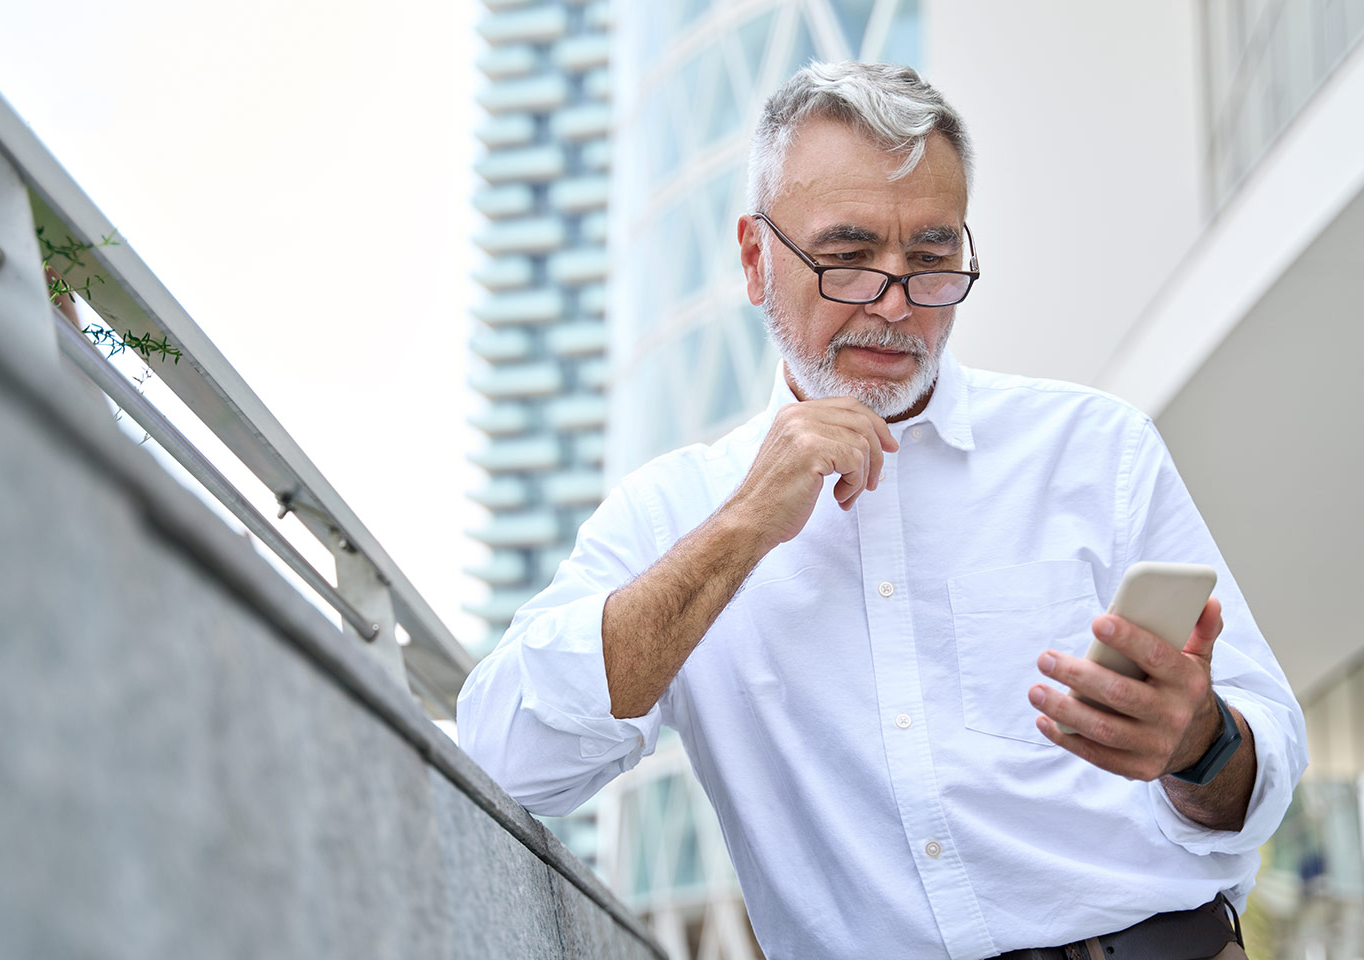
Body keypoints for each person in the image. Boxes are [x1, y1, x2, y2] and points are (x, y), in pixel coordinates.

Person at [457, 61, 1306, 960]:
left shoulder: (1096, 448)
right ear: (755, 259)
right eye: (849, 258)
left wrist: (1202, 743)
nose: (896, 306)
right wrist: (744, 528)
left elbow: (1266, 769)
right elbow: (508, 760)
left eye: (932, 258)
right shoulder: (678, 510)